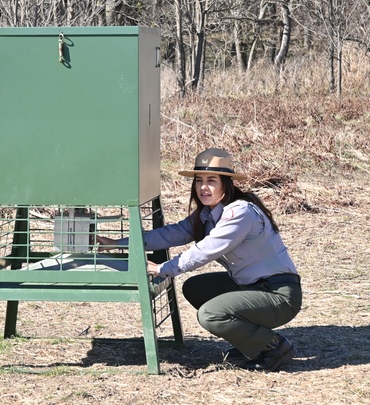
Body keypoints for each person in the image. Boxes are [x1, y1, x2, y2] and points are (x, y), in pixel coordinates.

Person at [97, 147, 301, 371]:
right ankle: (249, 342)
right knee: (196, 288)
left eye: (211, 180)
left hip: (278, 295)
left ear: (226, 183)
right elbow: (171, 234)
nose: (203, 187)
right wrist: (117, 244)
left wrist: (163, 268)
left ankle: (274, 347)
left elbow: (206, 250)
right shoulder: (208, 213)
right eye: (198, 180)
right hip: (251, 286)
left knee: (211, 315)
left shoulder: (239, 213)